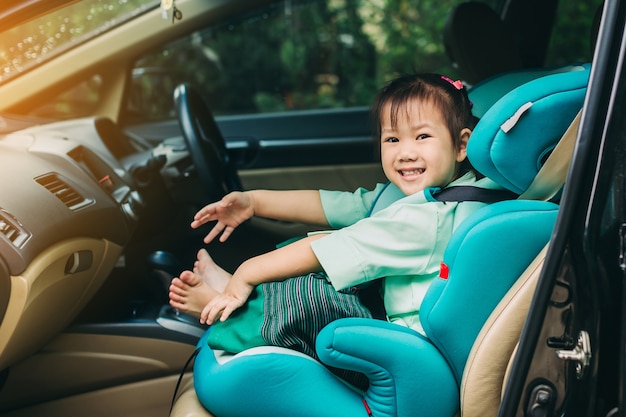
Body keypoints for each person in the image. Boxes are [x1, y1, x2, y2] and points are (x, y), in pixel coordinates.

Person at [169, 73, 500, 387]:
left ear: (461, 146)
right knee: (305, 259)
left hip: (398, 354)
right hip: (389, 326)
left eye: (422, 136)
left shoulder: (431, 219)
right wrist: (253, 203)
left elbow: (325, 249)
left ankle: (224, 314)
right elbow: (333, 206)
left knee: (309, 301)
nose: (405, 152)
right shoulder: (440, 193)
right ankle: (239, 297)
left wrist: (245, 275)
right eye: (392, 139)